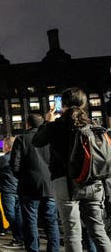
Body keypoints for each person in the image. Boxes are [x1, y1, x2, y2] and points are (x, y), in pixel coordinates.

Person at [32, 87, 111, 252]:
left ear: (64, 105)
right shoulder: (93, 125)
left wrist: (48, 121)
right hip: (94, 182)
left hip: (65, 182)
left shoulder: (56, 125)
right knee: (98, 230)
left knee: (72, 233)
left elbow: (37, 141)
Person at [11, 112, 60, 252]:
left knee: (30, 222)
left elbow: (14, 165)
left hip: (29, 187)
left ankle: (33, 249)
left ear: (27, 124)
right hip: (50, 186)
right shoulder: (50, 139)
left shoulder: (21, 139)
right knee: (51, 222)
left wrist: (23, 177)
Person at [0, 136, 23, 249]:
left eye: (3, 145)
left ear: (7, 146)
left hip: (7, 190)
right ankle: (21, 237)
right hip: (19, 188)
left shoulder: (5, 158)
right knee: (19, 214)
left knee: (10, 214)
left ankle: (18, 238)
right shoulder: (20, 156)